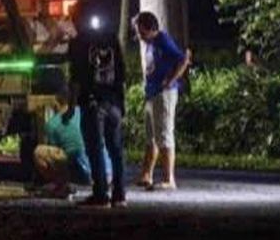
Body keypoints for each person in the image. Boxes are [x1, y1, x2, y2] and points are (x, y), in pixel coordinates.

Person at [67, 17, 127, 208]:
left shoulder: (78, 43)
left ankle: (100, 194)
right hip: (114, 101)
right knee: (115, 150)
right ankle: (119, 195)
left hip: (92, 103)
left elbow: (75, 79)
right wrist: (122, 104)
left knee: (95, 149)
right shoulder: (112, 39)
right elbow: (122, 74)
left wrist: (71, 107)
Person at [134, 11, 192, 190]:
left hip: (163, 94)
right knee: (151, 137)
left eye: (140, 31)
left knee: (164, 135)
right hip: (152, 93)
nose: (139, 35)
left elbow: (183, 59)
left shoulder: (163, 40)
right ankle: (147, 175)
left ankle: (169, 179)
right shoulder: (151, 43)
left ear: (150, 28)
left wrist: (171, 80)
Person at [33, 80, 110, 198]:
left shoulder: (52, 124)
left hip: (84, 173)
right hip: (106, 172)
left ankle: (61, 185)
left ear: (56, 101)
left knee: (39, 152)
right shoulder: (86, 114)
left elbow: (57, 150)